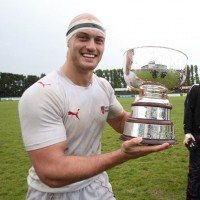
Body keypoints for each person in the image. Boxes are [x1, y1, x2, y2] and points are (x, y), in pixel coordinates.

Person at [18, 13, 171, 200]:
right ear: (68, 42)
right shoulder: (42, 93)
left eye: (99, 40)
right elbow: (51, 173)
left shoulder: (103, 86)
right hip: (54, 194)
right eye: (83, 38)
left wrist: (152, 109)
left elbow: (122, 121)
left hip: (96, 184)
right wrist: (122, 155)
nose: (91, 46)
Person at [183, 84, 200, 199]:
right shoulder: (196, 89)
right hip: (197, 137)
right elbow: (188, 109)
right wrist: (187, 132)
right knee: (196, 171)